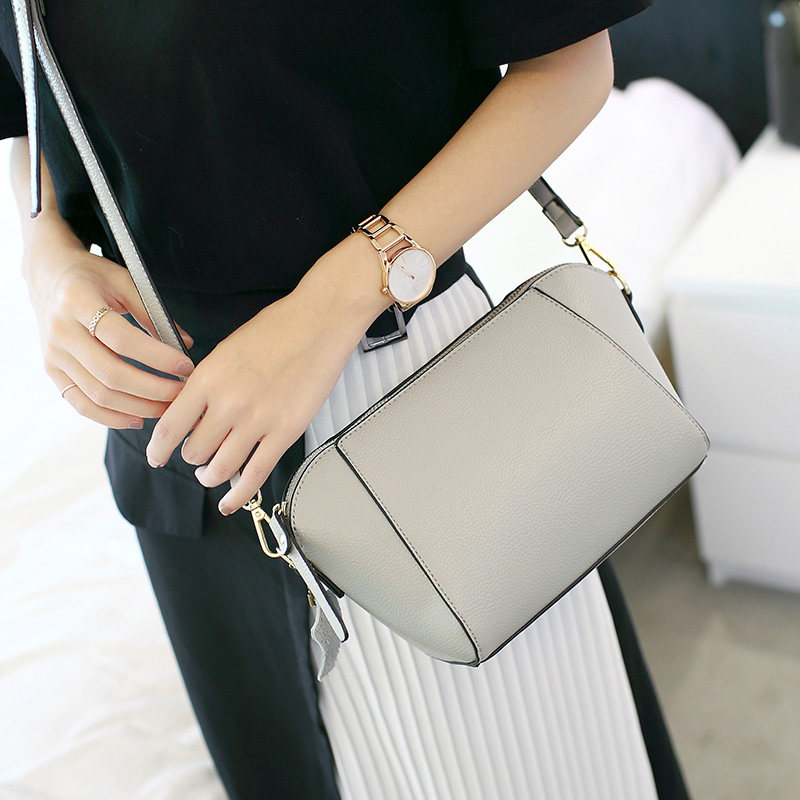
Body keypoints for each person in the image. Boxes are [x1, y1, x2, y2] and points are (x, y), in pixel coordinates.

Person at [1, 1, 690, 798]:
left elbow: (570, 67)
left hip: (410, 399)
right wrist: (46, 257)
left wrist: (332, 302)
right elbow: (24, 105)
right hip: (183, 465)